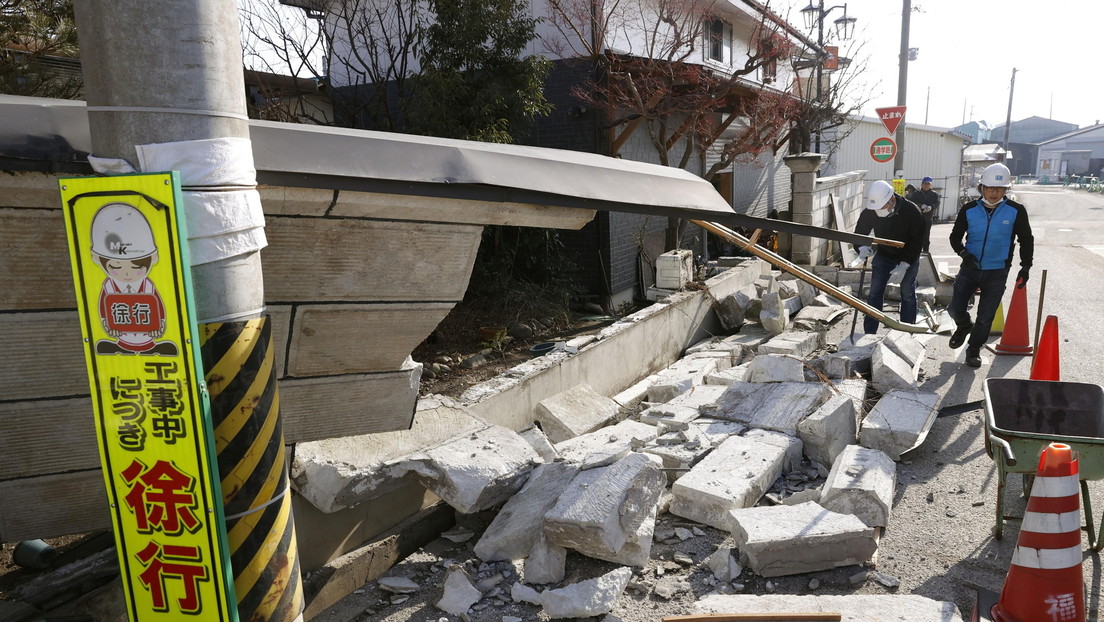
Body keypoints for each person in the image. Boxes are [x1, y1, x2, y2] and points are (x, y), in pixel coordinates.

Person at [947, 162, 1034, 368]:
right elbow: (955, 237)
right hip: (970, 268)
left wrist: (1026, 266)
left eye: (1000, 188)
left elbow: (1026, 239)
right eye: (990, 188)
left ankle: (973, 350)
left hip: (997, 271)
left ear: (1005, 189)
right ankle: (963, 325)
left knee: (986, 317)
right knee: (954, 309)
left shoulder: (1016, 211)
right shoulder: (968, 209)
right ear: (982, 188)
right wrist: (963, 253)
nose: (995, 192)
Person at [853, 179, 926, 335]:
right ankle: (869, 333)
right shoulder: (870, 211)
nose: (879, 211)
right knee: (874, 294)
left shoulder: (911, 211)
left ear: (892, 199)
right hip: (884, 256)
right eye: (876, 208)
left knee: (907, 294)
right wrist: (860, 247)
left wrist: (905, 263)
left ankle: (906, 332)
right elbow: (859, 233)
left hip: (908, 257)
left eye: (882, 207)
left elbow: (917, 241)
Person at [907, 176, 940, 253]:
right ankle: (915, 252)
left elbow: (937, 203)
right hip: (917, 218)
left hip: (928, 218)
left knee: (926, 236)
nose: (926, 185)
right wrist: (920, 205)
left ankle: (925, 252)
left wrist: (931, 207)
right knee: (916, 235)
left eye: (928, 184)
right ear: (922, 184)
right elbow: (912, 202)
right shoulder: (916, 193)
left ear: (931, 185)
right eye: (925, 184)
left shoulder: (934, 194)